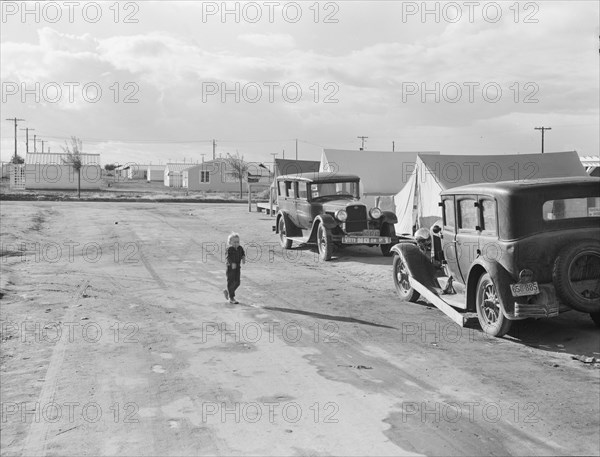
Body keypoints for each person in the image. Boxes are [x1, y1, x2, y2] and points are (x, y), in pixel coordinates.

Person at [223, 232, 245, 304]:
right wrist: (232, 263)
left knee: (237, 282)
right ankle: (231, 297)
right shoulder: (229, 249)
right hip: (230, 268)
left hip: (238, 267)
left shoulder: (240, 248)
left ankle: (228, 292)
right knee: (231, 282)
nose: (236, 243)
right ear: (230, 242)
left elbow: (242, 253)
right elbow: (228, 257)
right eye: (234, 242)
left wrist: (243, 258)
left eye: (237, 242)